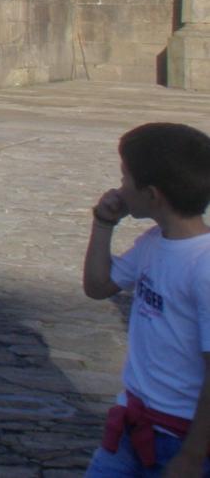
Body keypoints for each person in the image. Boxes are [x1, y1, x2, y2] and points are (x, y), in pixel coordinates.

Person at [83, 123, 210, 478]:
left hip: (181, 439)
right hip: (131, 425)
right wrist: (103, 224)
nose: (120, 187)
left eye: (126, 178)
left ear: (152, 194)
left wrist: (191, 457)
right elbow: (98, 286)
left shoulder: (204, 266)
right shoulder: (154, 242)